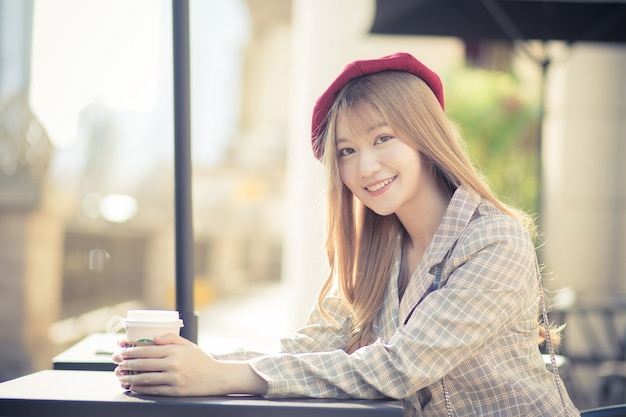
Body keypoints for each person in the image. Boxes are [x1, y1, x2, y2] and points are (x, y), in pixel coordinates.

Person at [113, 52, 580, 416]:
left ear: (424, 137)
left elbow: (399, 367)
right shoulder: (379, 250)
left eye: (382, 139)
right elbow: (309, 347)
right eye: (347, 151)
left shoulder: (495, 242)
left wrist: (223, 376)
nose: (364, 167)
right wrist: (187, 362)